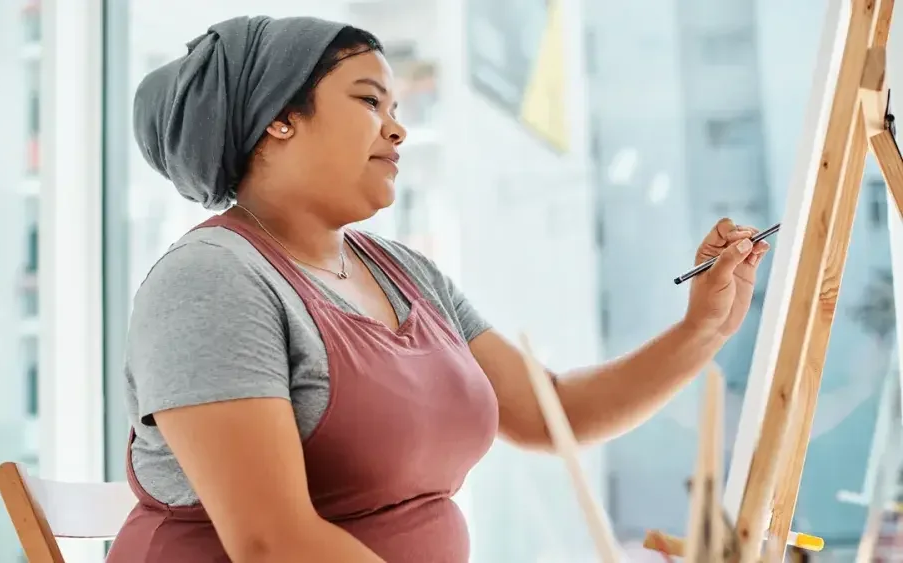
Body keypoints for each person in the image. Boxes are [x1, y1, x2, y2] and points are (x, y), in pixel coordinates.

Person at [105, 15, 772, 563]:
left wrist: (703, 328)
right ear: (279, 117)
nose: (398, 129)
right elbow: (272, 540)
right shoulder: (210, 281)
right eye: (370, 101)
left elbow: (553, 413)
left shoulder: (406, 272)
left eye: (398, 108)